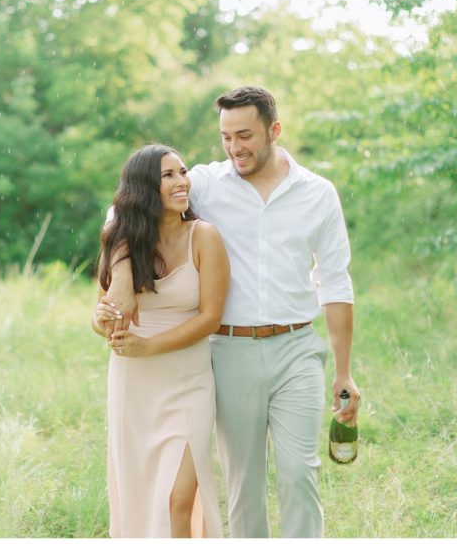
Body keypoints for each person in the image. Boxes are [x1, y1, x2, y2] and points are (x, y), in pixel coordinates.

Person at [100, 86, 360, 538]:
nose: (235, 148)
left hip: (297, 347)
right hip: (230, 351)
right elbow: (125, 206)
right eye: (226, 137)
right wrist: (121, 274)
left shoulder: (318, 194)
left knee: (300, 472)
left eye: (245, 135)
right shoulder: (204, 182)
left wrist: (344, 373)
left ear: (274, 130)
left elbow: (335, 282)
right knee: (244, 484)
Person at [91, 143, 230, 538]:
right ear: (144, 189)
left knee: (177, 499)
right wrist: (102, 320)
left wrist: (150, 346)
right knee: (137, 491)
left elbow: (210, 318)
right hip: (132, 382)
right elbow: (99, 315)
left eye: (182, 172)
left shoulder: (204, 236)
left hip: (187, 380)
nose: (181, 181)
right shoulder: (122, 242)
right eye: (167, 176)